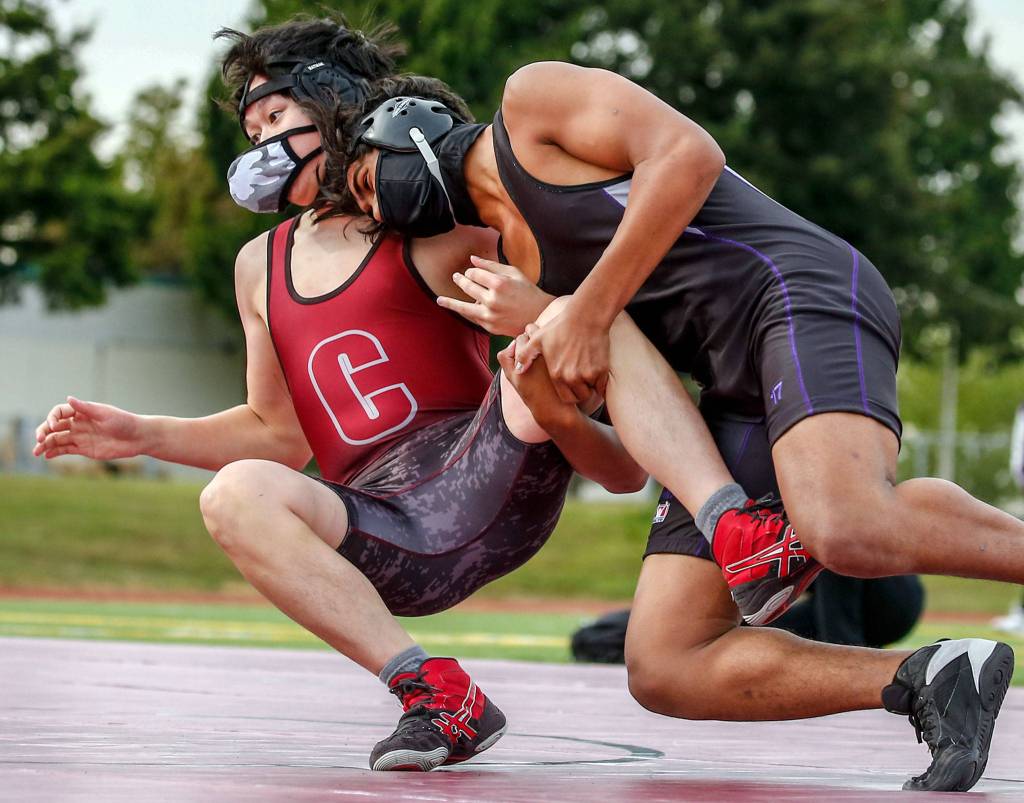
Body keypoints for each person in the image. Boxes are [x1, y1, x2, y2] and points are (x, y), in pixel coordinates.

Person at [323, 70, 1020, 791]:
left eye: (372, 184)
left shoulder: (530, 106)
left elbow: (689, 155)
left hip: (791, 289)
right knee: (666, 662)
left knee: (843, 523)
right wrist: (552, 400)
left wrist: (581, 310)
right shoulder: (519, 266)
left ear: (407, 124)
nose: (385, 210)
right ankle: (934, 675)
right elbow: (625, 463)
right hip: (731, 386)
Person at [30, 19, 655, 773]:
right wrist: (142, 434)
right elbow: (275, 433)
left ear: (333, 101)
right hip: (387, 529)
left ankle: (720, 490)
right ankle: (433, 689)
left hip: (487, 477)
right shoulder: (258, 264)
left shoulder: (429, 227)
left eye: (274, 116)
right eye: (250, 124)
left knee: (552, 322)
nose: (257, 140)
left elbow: (586, 305)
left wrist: (554, 311)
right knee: (235, 494)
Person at [572, 574, 925, 663]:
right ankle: (620, 634)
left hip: (886, 605)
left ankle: (624, 634)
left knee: (743, 627)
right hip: (884, 608)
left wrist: (844, 651)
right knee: (745, 629)